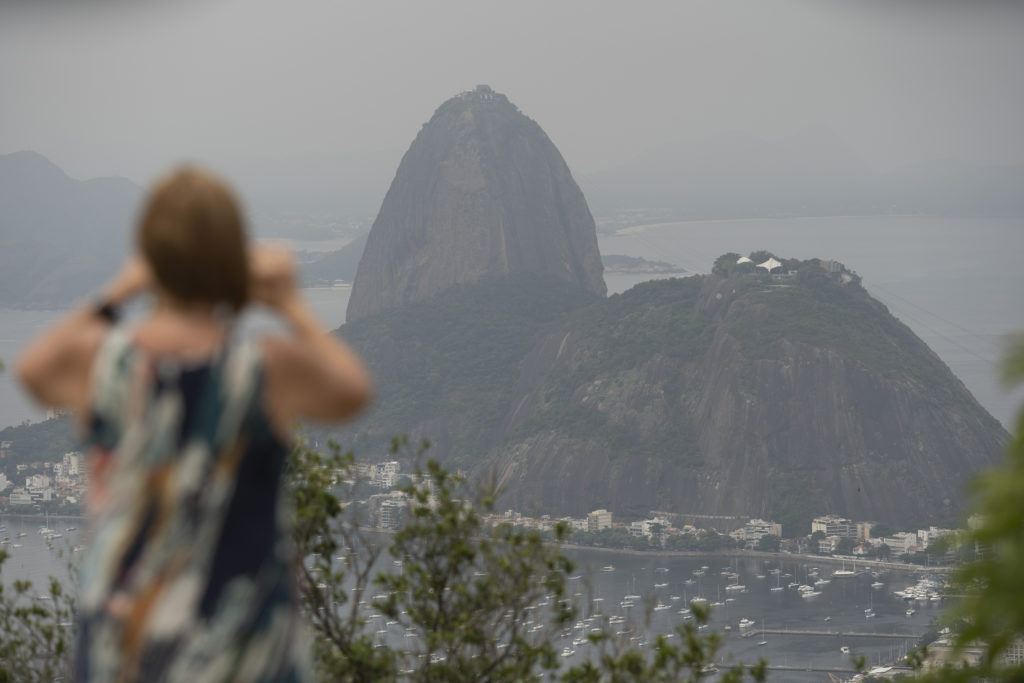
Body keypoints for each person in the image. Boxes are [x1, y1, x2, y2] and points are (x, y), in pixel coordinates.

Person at [17, 167, 371, 682]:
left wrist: (119, 291)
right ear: (232, 259)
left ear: (152, 257)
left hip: (124, 633)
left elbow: (33, 369)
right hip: (238, 640)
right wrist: (290, 303)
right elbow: (352, 390)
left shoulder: (107, 360)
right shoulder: (262, 368)